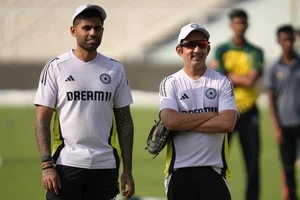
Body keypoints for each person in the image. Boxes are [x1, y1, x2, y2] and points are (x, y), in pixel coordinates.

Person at [34, 4, 135, 200]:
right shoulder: (56, 67)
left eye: (97, 28)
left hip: (105, 167)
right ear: (73, 31)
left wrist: (128, 170)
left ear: (103, 31)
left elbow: (125, 122)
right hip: (66, 165)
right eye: (86, 27)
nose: (92, 33)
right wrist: (47, 165)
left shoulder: (115, 69)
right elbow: (42, 119)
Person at [159, 23, 238, 200]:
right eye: (190, 45)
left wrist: (183, 122)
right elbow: (170, 121)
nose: (196, 49)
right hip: (179, 171)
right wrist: (210, 115)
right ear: (179, 50)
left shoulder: (222, 82)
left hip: (214, 171)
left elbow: (227, 123)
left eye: (201, 44)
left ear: (208, 49)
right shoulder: (171, 83)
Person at [210, 8, 264, 200]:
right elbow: (220, 76)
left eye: (242, 23)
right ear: (231, 25)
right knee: (218, 160)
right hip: (226, 110)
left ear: (246, 25)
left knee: (252, 162)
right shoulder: (222, 49)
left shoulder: (256, 51)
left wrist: (230, 74)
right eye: (236, 23)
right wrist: (240, 77)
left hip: (249, 110)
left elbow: (251, 81)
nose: (239, 27)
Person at [265, 24, 300, 200]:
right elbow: (271, 100)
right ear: (279, 42)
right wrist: (276, 127)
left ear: (295, 40)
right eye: (284, 40)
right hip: (285, 124)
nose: (288, 43)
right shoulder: (273, 68)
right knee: (288, 167)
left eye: (290, 39)